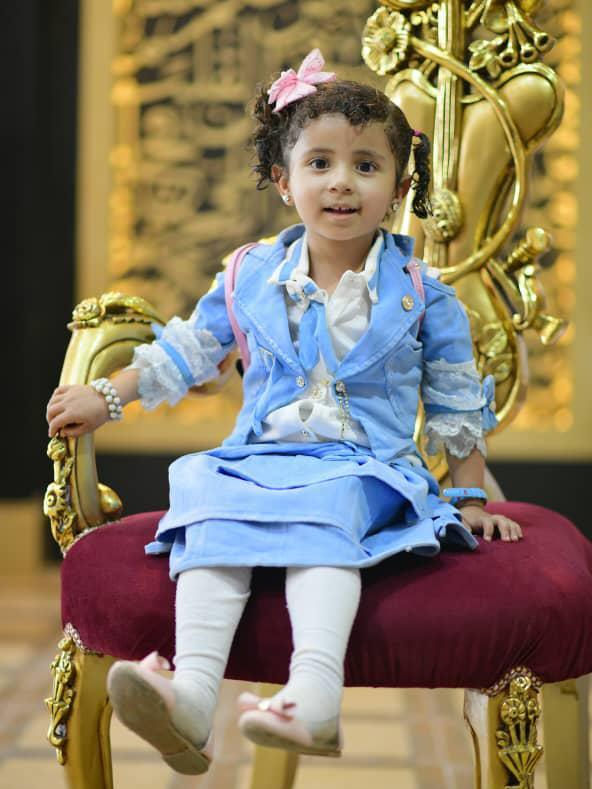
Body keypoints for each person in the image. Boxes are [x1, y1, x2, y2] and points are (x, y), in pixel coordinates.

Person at [46, 49, 523, 775]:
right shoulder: (250, 275)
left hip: (365, 469)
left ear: (399, 188)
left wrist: (471, 497)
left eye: (366, 166)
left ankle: (315, 696)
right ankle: (192, 698)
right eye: (320, 163)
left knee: (325, 512)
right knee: (207, 495)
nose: (341, 181)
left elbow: (455, 404)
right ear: (283, 180)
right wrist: (109, 395)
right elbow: (189, 350)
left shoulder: (425, 295)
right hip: (260, 460)